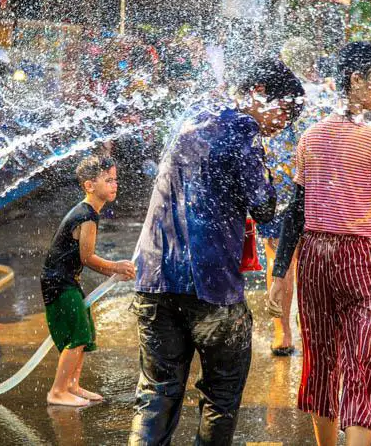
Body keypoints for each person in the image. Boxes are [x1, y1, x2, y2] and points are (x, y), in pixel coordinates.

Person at [129, 59, 303, 445]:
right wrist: (277, 181)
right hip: (212, 288)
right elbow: (262, 206)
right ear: (258, 93)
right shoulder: (244, 131)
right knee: (220, 398)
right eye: (285, 111)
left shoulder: (192, 115)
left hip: (154, 279)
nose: (283, 124)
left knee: (156, 394)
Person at [269, 42, 371, 446]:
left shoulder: (310, 136)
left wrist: (280, 271)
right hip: (366, 260)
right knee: (364, 364)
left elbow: (296, 212)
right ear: (356, 80)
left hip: (316, 259)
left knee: (321, 362)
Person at [40, 155, 136, 406]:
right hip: (58, 282)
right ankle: (58, 390)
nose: (115, 185)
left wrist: (114, 269)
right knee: (77, 335)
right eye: (108, 180)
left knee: (84, 331)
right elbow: (88, 257)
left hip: (66, 280)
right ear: (89, 185)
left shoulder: (89, 212)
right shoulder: (87, 216)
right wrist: (116, 267)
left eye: (115, 180)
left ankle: (72, 385)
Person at [255, 60, 306, 356]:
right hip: (296, 187)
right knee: (299, 257)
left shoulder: (263, 114)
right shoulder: (299, 107)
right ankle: (294, 327)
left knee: (277, 254)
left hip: (276, 189)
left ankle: (282, 331)